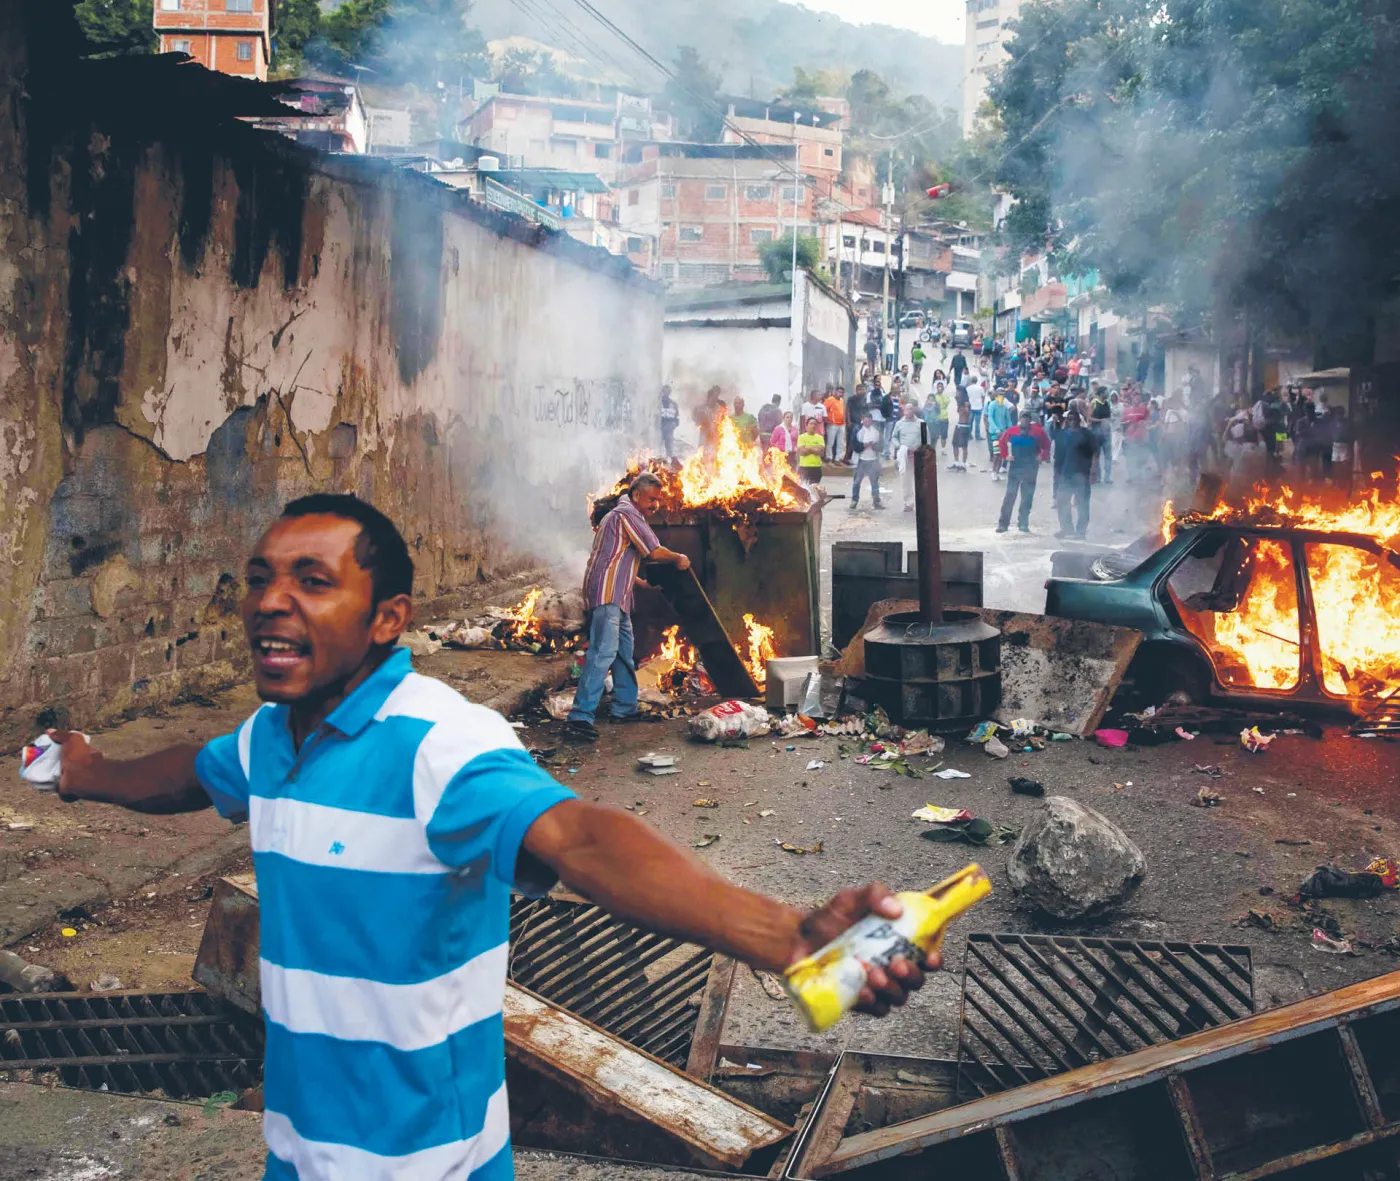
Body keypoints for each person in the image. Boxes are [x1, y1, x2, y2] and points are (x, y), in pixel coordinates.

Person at [51, 493, 927, 1181]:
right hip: (298, 1156)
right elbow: (190, 773)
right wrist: (87, 770)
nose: (271, 602)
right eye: (259, 578)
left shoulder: (438, 741)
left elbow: (583, 838)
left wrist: (782, 934)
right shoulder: (268, 740)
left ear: (388, 618)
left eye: (313, 582)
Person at [569, 474, 692, 739]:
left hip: (618, 595)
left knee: (624, 650)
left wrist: (642, 585)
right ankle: (580, 716)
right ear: (637, 495)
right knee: (603, 652)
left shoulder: (617, 516)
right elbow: (653, 551)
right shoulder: (627, 514)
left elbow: (614, 558)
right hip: (608, 594)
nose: (654, 505)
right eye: (652, 499)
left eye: (657, 499)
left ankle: (624, 707)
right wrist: (679, 558)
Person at [996, 411, 1050, 533]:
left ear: (1030, 420)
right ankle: (1003, 524)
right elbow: (1002, 443)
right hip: (1015, 467)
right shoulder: (1011, 431)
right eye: (1023, 418)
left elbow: (1047, 445)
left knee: (1027, 496)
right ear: (1020, 419)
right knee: (1010, 495)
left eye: (1027, 418)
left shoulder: (1038, 432)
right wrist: (1006, 456)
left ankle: (1023, 523)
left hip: (1031, 468)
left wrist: (1042, 455)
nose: (1024, 420)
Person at [1053, 410, 1100, 539]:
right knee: (1062, 501)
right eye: (1070, 419)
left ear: (1079, 420)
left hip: (1082, 474)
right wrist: (1056, 474)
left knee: (1082, 503)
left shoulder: (1086, 434)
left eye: (1074, 419)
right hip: (1065, 474)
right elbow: (1058, 456)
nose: (1072, 421)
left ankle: (1081, 532)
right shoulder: (1062, 434)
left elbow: (1096, 452)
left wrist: (1094, 471)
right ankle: (1067, 529)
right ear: (1067, 420)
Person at [892, 402, 926, 512]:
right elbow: (894, 438)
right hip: (905, 456)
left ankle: (922, 501)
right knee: (906, 480)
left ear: (914, 411)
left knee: (920, 480)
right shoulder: (899, 424)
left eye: (911, 409)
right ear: (904, 411)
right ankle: (908, 503)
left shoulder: (921, 423)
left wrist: (921, 450)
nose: (909, 412)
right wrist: (900, 447)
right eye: (907, 410)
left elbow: (926, 440)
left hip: (918, 456)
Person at [850, 412, 885, 510]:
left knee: (874, 482)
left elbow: (881, 445)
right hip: (861, 460)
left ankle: (876, 501)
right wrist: (863, 446)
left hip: (873, 460)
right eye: (866, 420)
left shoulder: (876, 430)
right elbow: (854, 445)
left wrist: (873, 446)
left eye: (869, 420)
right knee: (857, 482)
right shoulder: (857, 430)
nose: (868, 422)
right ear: (863, 420)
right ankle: (854, 500)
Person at [983, 387, 1014, 480]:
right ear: (997, 395)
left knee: (1002, 454)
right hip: (995, 433)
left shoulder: (1005, 407)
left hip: (1003, 433)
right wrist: (996, 430)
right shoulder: (992, 405)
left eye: (1003, 395)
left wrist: (1010, 430)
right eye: (1000, 394)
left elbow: (1008, 420)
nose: (1001, 396)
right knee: (996, 453)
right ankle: (993, 472)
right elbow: (990, 418)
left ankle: (997, 472)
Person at [1088, 382, 1113, 483]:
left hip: (1106, 433)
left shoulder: (1107, 403)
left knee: (1108, 456)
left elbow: (1109, 417)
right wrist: (1101, 421)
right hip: (1096, 433)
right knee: (1096, 455)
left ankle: (1107, 477)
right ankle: (1097, 476)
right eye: (1106, 392)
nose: (1107, 393)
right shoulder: (1094, 402)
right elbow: (1089, 417)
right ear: (1102, 393)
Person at [796, 417, 826, 486]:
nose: (813, 425)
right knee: (804, 488)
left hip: (816, 467)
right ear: (806, 426)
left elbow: (821, 452)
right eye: (811, 424)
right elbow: (802, 452)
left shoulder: (820, 437)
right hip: (804, 467)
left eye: (815, 424)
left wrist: (808, 448)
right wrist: (815, 449)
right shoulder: (802, 437)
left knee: (814, 489)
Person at [843, 384, 867, 463]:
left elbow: (864, 411)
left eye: (863, 389)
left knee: (858, 440)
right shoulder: (851, 399)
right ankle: (847, 457)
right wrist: (848, 421)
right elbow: (847, 410)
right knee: (850, 440)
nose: (862, 391)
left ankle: (855, 458)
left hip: (860, 423)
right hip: (852, 423)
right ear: (856, 390)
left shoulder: (864, 399)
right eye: (860, 389)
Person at [950, 390, 972, 471]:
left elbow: (968, 414)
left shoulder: (967, 403)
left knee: (964, 446)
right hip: (959, 425)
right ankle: (956, 462)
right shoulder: (960, 403)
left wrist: (966, 407)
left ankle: (963, 464)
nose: (956, 393)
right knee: (954, 444)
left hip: (964, 426)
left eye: (958, 392)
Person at [924, 383, 949, 451]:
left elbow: (940, 409)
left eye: (932, 400)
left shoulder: (938, 403)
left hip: (935, 426)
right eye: (929, 399)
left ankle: (939, 451)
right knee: (925, 444)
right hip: (926, 427)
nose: (931, 401)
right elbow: (923, 416)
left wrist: (934, 405)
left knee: (933, 444)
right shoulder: (925, 407)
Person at [823, 387, 846, 461]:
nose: (840, 394)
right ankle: (829, 457)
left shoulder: (842, 400)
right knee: (830, 442)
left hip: (841, 424)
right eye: (839, 392)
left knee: (840, 442)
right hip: (832, 424)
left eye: (842, 393)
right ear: (835, 392)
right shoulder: (830, 399)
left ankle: (838, 458)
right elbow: (823, 410)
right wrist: (826, 420)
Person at [659, 385, 680, 460]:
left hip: (669, 427)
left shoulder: (674, 404)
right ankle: (658, 461)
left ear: (669, 393)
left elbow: (677, 417)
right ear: (662, 392)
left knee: (669, 447)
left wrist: (674, 424)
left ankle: (669, 462)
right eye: (664, 391)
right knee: (658, 445)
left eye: (667, 391)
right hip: (660, 427)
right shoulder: (657, 403)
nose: (666, 393)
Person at [964, 373, 985, 442]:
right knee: (977, 423)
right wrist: (982, 404)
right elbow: (983, 396)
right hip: (978, 407)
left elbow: (966, 398)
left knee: (970, 422)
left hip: (971, 407)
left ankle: (969, 435)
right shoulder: (980, 388)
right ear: (976, 381)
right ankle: (977, 436)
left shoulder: (967, 388)